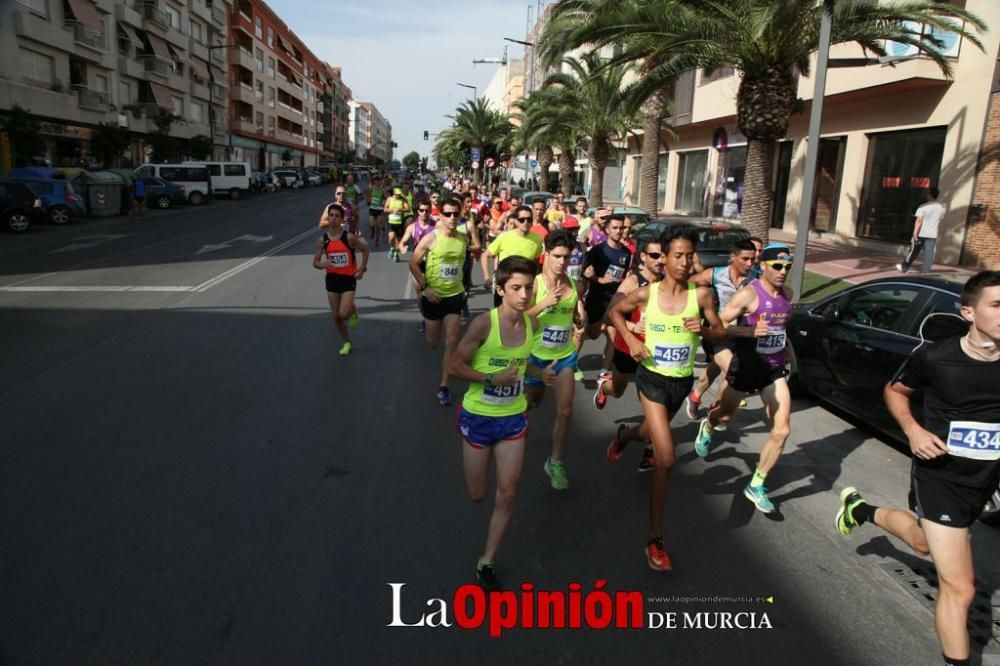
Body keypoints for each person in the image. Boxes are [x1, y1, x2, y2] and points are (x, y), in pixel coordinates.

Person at [836, 270, 1000, 666]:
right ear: (968, 312)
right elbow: (895, 390)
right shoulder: (936, 356)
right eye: (997, 305)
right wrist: (913, 430)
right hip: (940, 476)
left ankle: (862, 511)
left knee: (924, 544)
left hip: (984, 483)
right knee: (959, 588)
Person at [608, 226, 725, 570]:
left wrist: (702, 330)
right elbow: (615, 312)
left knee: (646, 432)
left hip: (679, 383)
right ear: (664, 259)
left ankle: (626, 435)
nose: (685, 262)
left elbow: (720, 329)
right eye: (678, 255)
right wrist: (630, 340)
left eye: (690, 255)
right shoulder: (646, 294)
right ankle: (655, 539)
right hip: (651, 380)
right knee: (667, 457)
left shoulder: (701, 295)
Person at [448, 256, 552, 589]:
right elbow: (454, 367)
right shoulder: (483, 325)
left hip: (512, 420)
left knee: (507, 495)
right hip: (478, 417)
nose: (524, 295)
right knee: (479, 494)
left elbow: (520, 364)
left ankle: (487, 561)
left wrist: (539, 372)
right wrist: (490, 378)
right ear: (501, 289)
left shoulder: (532, 325)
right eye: (516, 288)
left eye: (529, 288)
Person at [693, 244, 796, 514]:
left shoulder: (788, 294)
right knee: (725, 418)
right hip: (746, 366)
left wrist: (789, 357)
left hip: (773, 370)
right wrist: (750, 333)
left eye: (787, 267)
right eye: (777, 266)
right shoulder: (748, 295)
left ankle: (756, 484)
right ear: (763, 266)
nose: (783, 272)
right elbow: (720, 325)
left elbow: (782, 330)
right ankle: (709, 425)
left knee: (782, 429)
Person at [525, 230, 587, 490]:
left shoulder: (574, 285)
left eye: (567, 257)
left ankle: (555, 461)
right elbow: (519, 319)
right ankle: (517, 421)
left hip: (563, 358)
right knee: (531, 403)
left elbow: (575, 309)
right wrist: (543, 304)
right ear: (546, 255)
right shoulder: (535, 284)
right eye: (557, 256)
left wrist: (579, 318)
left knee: (565, 411)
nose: (562, 262)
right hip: (535, 358)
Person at [599, 237, 666, 472]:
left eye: (663, 255)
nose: (660, 260)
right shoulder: (632, 282)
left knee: (654, 408)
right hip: (627, 349)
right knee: (616, 390)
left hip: (654, 356)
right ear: (643, 258)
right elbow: (610, 315)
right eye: (655, 255)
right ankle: (604, 387)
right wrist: (632, 328)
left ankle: (650, 451)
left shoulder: (668, 282)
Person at [685, 239, 758, 420]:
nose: (749, 264)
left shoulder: (755, 280)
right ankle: (715, 411)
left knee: (713, 370)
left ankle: (695, 397)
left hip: (739, 335)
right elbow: (686, 285)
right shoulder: (715, 274)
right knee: (733, 370)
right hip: (715, 333)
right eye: (745, 259)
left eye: (753, 259)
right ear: (733, 257)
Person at [410, 198, 468, 406]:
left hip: (454, 296)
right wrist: (426, 288)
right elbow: (413, 264)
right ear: (440, 215)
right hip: (433, 296)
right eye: (448, 214)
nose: (452, 218)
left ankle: (444, 386)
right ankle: (427, 321)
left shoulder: (464, 238)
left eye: (456, 214)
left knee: (451, 341)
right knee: (433, 343)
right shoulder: (430, 239)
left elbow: (464, 262)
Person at [585, 214, 632, 405]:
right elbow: (586, 273)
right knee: (594, 333)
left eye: (622, 228)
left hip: (614, 300)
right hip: (596, 298)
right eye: (615, 228)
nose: (619, 231)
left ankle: (603, 373)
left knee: (614, 335)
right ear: (607, 230)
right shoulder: (598, 250)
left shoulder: (627, 253)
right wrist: (598, 279)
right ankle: (593, 328)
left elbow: (624, 276)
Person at [312, 203, 370, 356]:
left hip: (348, 279)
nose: (333, 219)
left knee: (344, 314)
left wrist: (362, 269)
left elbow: (365, 250)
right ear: (328, 217)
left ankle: (352, 310)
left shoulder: (348, 237)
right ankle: (347, 342)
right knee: (336, 316)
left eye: (337, 216)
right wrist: (323, 263)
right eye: (331, 215)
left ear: (341, 220)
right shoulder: (322, 240)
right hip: (331, 279)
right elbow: (315, 262)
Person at [482, 206, 543, 306]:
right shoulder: (504, 237)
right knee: (501, 317)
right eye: (522, 220)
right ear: (517, 221)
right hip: (504, 284)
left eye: (529, 219)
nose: (526, 222)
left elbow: (536, 261)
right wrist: (486, 277)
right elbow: (485, 255)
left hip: (524, 287)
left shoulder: (537, 240)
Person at [898, 187, 945, 275]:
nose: (926, 195)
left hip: (921, 233)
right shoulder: (941, 207)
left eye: (928, 194)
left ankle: (904, 268)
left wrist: (915, 233)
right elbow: (940, 219)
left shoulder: (923, 207)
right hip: (932, 234)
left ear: (930, 195)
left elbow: (919, 220)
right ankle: (925, 271)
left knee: (913, 251)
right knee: (929, 254)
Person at [385, 188, 410, 261]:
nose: (398, 196)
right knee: (391, 238)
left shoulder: (403, 199)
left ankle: (396, 254)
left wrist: (400, 210)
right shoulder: (389, 199)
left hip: (399, 223)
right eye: (396, 195)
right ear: (394, 193)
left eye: (399, 194)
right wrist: (392, 210)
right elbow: (385, 209)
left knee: (398, 241)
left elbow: (408, 209)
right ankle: (392, 248)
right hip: (391, 222)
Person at [367, 175, 387, 249]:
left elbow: (386, 198)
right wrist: (368, 201)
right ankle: (372, 231)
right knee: (372, 225)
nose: (378, 182)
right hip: (372, 208)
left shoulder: (382, 190)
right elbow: (367, 195)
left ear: (380, 182)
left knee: (378, 225)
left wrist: (384, 202)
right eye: (376, 181)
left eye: (379, 181)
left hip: (379, 209)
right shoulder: (371, 188)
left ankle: (377, 239)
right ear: (374, 181)